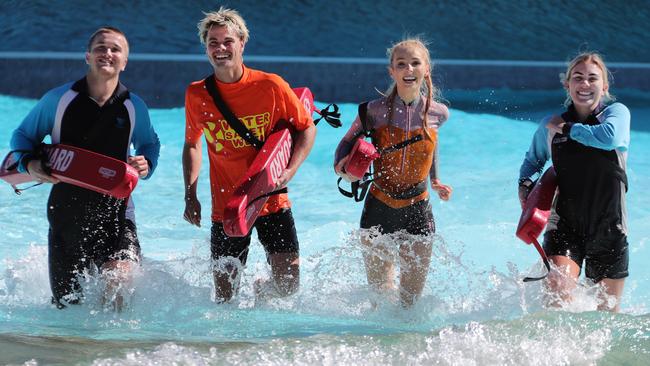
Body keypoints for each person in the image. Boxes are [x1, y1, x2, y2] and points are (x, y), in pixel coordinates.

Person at [9, 27, 160, 310]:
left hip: (116, 208)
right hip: (66, 210)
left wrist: (147, 162)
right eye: (101, 48)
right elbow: (21, 137)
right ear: (87, 56)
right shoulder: (58, 99)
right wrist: (29, 163)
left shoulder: (133, 107)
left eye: (116, 49)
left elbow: (150, 144)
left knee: (119, 279)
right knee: (67, 306)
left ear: (124, 62)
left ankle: (111, 349)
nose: (108, 53)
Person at [182, 7, 316, 303]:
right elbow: (192, 144)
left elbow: (306, 129)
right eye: (213, 43)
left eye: (227, 41)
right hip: (228, 207)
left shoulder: (270, 86)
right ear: (205, 49)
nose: (220, 48)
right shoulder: (197, 94)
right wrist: (190, 195)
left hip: (272, 199)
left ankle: (262, 293)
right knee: (224, 299)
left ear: (242, 43)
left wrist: (290, 170)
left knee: (287, 286)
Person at [334, 38, 452, 307]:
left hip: (418, 209)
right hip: (379, 205)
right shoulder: (373, 111)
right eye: (401, 64)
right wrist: (342, 168)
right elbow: (345, 144)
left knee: (410, 303)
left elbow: (430, 147)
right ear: (392, 71)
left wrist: (435, 180)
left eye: (415, 63)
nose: (408, 68)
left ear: (426, 69)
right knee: (380, 301)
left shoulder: (438, 113)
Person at [518, 52, 630, 312]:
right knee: (556, 295)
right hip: (565, 226)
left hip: (610, 227)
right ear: (567, 85)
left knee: (607, 315)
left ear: (604, 86)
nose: (585, 84)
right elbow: (533, 161)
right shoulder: (550, 125)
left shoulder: (616, 114)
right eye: (577, 77)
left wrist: (567, 129)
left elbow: (608, 138)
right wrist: (525, 184)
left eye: (593, 78)